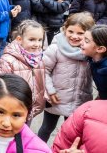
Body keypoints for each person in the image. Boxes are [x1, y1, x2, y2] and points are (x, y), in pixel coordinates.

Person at [37, 13, 94, 142]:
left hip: (79, 99)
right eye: (71, 31)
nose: (74, 36)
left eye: (80, 33)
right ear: (65, 29)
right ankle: (38, 148)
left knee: (72, 132)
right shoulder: (55, 49)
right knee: (47, 127)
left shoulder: (90, 51)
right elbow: (43, 70)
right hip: (56, 97)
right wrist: (50, 91)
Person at [0, 20, 46, 122]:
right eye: (32, 39)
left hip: (30, 109)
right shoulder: (8, 60)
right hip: (12, 111)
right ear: (19, 39)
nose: (37, 44)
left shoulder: (39, 58)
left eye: (40, 40)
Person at [80, 24, 107, 99]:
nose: (81, 42)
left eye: (86, 41)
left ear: (100, 49)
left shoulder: (105, 70)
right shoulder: (92, 59)